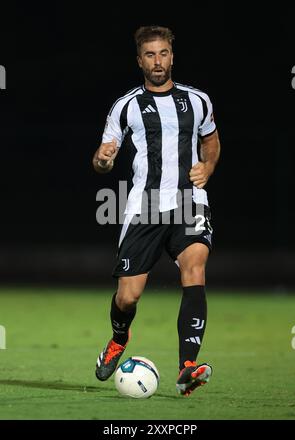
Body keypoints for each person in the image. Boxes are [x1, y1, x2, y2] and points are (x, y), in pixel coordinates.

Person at [92, 25, 221, 396]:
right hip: (144, 206)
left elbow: (211, 141)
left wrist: (208, 167)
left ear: (172, 56)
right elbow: (103, 156)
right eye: (150, 55)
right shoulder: (126, 105)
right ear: (139, 61)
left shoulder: (198, 100)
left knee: (195, 266)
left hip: (189, 200)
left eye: (163, 53)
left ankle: (188, 367)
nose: (158, 61)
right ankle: (119, 338)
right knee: (128, 296)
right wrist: (103, 161)